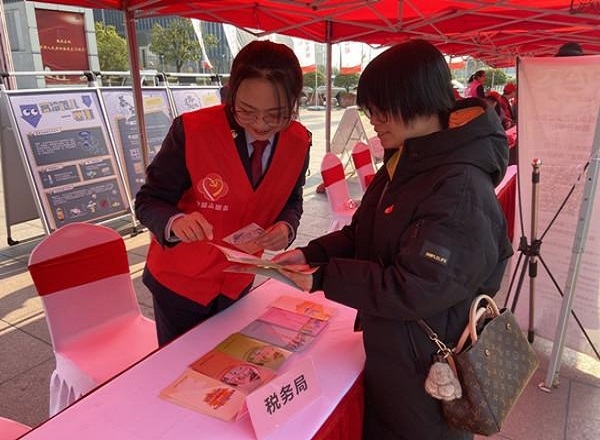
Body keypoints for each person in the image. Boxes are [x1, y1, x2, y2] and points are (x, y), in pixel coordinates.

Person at [273, 39, 513, 439]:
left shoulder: (460, 185)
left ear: (419, 98)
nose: (374, 121)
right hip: (398, 354)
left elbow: (416, 285)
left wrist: (323, 277)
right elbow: (363, 234)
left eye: (382, 109)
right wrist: (311, 254)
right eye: (371, 110)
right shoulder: (408, 159)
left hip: (430, 372)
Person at [135, 40, 311, 346]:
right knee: (180, 365)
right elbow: (149, 200)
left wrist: (287, 225)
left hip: (237, 281)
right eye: (246, 111)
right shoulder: (192, 130)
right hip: (181, 285)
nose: (260, 124)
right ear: (232, 93)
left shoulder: (299, 142)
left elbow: (292, 199)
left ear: (294, 102)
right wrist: (176, 222)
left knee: (227, 362)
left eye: (276, 115)